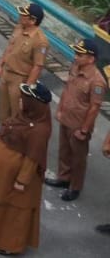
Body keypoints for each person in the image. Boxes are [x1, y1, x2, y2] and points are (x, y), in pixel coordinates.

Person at [0, 82, 53, 255]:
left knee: (13, 213)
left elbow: (33, 158)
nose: (19, 101)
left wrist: (21, 181)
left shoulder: (39, 130)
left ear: (33, 104)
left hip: (14, 180)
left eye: (24, 99)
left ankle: (9, 245)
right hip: (0, 175)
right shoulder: (24, 117)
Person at [44, 38, 104, 202]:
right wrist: (60, 109)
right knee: (64, 151)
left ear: (91, 59)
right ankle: (63, 178)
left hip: (79, 125)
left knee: (78, 158)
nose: (76, 56)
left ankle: (75, 187)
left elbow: (94, 108)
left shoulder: (97, 81)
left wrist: (84, 130)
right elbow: (67, 90)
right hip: (67, 119)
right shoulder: (75, 68)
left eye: (80, 54)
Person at [0, 3, 48, 125]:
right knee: (3, 109)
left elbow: (38, 66)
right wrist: (1, 64)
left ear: (33, 20)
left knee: (17, 113)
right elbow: (10, 47)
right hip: (7, 73)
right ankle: (2, 135)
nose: (20, 16)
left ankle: (13, 140)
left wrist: (26, 90)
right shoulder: (19, 28)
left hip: (19, 79)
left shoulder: (40, 41)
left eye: (24, 15)